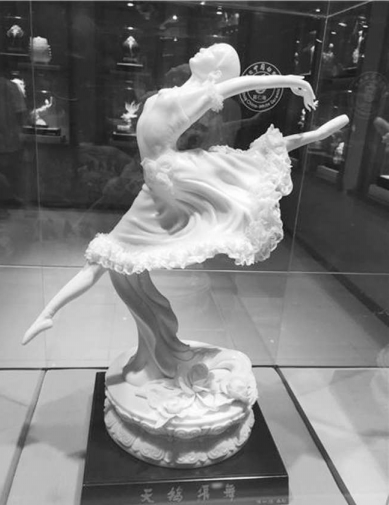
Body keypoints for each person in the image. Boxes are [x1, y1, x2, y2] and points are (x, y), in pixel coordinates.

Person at [23, 43, 348, 382]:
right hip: (157, 178)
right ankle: (49, 312)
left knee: (109, 254)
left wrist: (293, 81)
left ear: (215, 71)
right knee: (105, 256)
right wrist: (292, 82)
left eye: (213, 51)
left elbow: (238, 85)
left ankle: (53, 312)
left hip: (169, 175)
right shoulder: (173, 93)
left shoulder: (195, 98)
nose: (203, 48)